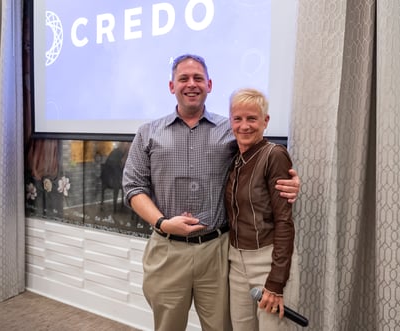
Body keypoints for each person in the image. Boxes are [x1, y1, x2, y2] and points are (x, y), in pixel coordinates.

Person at [122, 54, 300, 331]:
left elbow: (262, 157)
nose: (191, 84)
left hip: (217, 251)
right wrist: (162, 222)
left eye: (198, 78)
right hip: (167, 249)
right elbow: (133, 187)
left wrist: (289, 180)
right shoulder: (148, 133)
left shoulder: (230, 131)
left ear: (209, 85)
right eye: (183, 78)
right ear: (172, 86)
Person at [225, 88, 299, 331]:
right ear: (230, 121)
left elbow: (284, 222)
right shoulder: (235, 158)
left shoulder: (274, 155)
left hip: (268, 262)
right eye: (238, 118)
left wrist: (276, 282)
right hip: (236, 262)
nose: (244, 126)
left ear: (265, 121)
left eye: (252, 118)